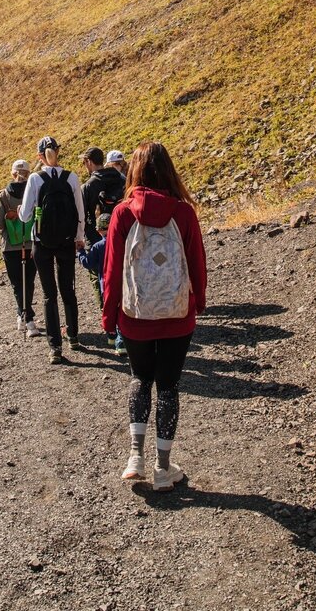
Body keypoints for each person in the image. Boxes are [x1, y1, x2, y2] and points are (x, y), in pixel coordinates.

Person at [102, 141, 207, 491]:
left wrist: (109, 314)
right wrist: (199, 301)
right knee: (169, 386)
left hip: (136, 315)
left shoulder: (123, 213)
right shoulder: (183, 212)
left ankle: (136, 456)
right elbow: (197, 263)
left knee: (140, 378)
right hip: (178, 314)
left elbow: (113, 269)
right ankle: (164, 468)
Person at [19, 135, 85, 364]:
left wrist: (20, 211)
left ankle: (55, 346)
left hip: (42, 242)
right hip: (67, 241)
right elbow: (80, 211)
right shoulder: (72, 177)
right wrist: (79, 238)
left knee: (49, 295)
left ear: (40, 156)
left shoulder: (35, 180)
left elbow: (26, 215)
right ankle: (74, 336)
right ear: (58, 152)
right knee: (68, 288)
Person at [0, 159, 41, 338]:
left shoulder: (4, 195)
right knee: (28, 282)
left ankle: (26, 317)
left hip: (10, 246)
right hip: (31, 243)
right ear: (29, 174)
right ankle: (25, 316)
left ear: (12, 173)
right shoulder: (34, 192)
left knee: (16, 284)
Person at [76, 212, 126, 357]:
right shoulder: (122, 242)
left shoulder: (98, 246)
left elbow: (88, 263)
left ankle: (115, 339)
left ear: (98, 230)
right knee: (121, 311)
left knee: (110, 310)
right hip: (123, 283)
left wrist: (80, 251)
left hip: (106, 285)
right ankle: (119, 339)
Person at [80, 146, 126, 245]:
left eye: (84, 163)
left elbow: (81, 214)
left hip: (96, 239)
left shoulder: (88, 186)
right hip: (121, 235)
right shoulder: (121, 179)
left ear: (89, 162)